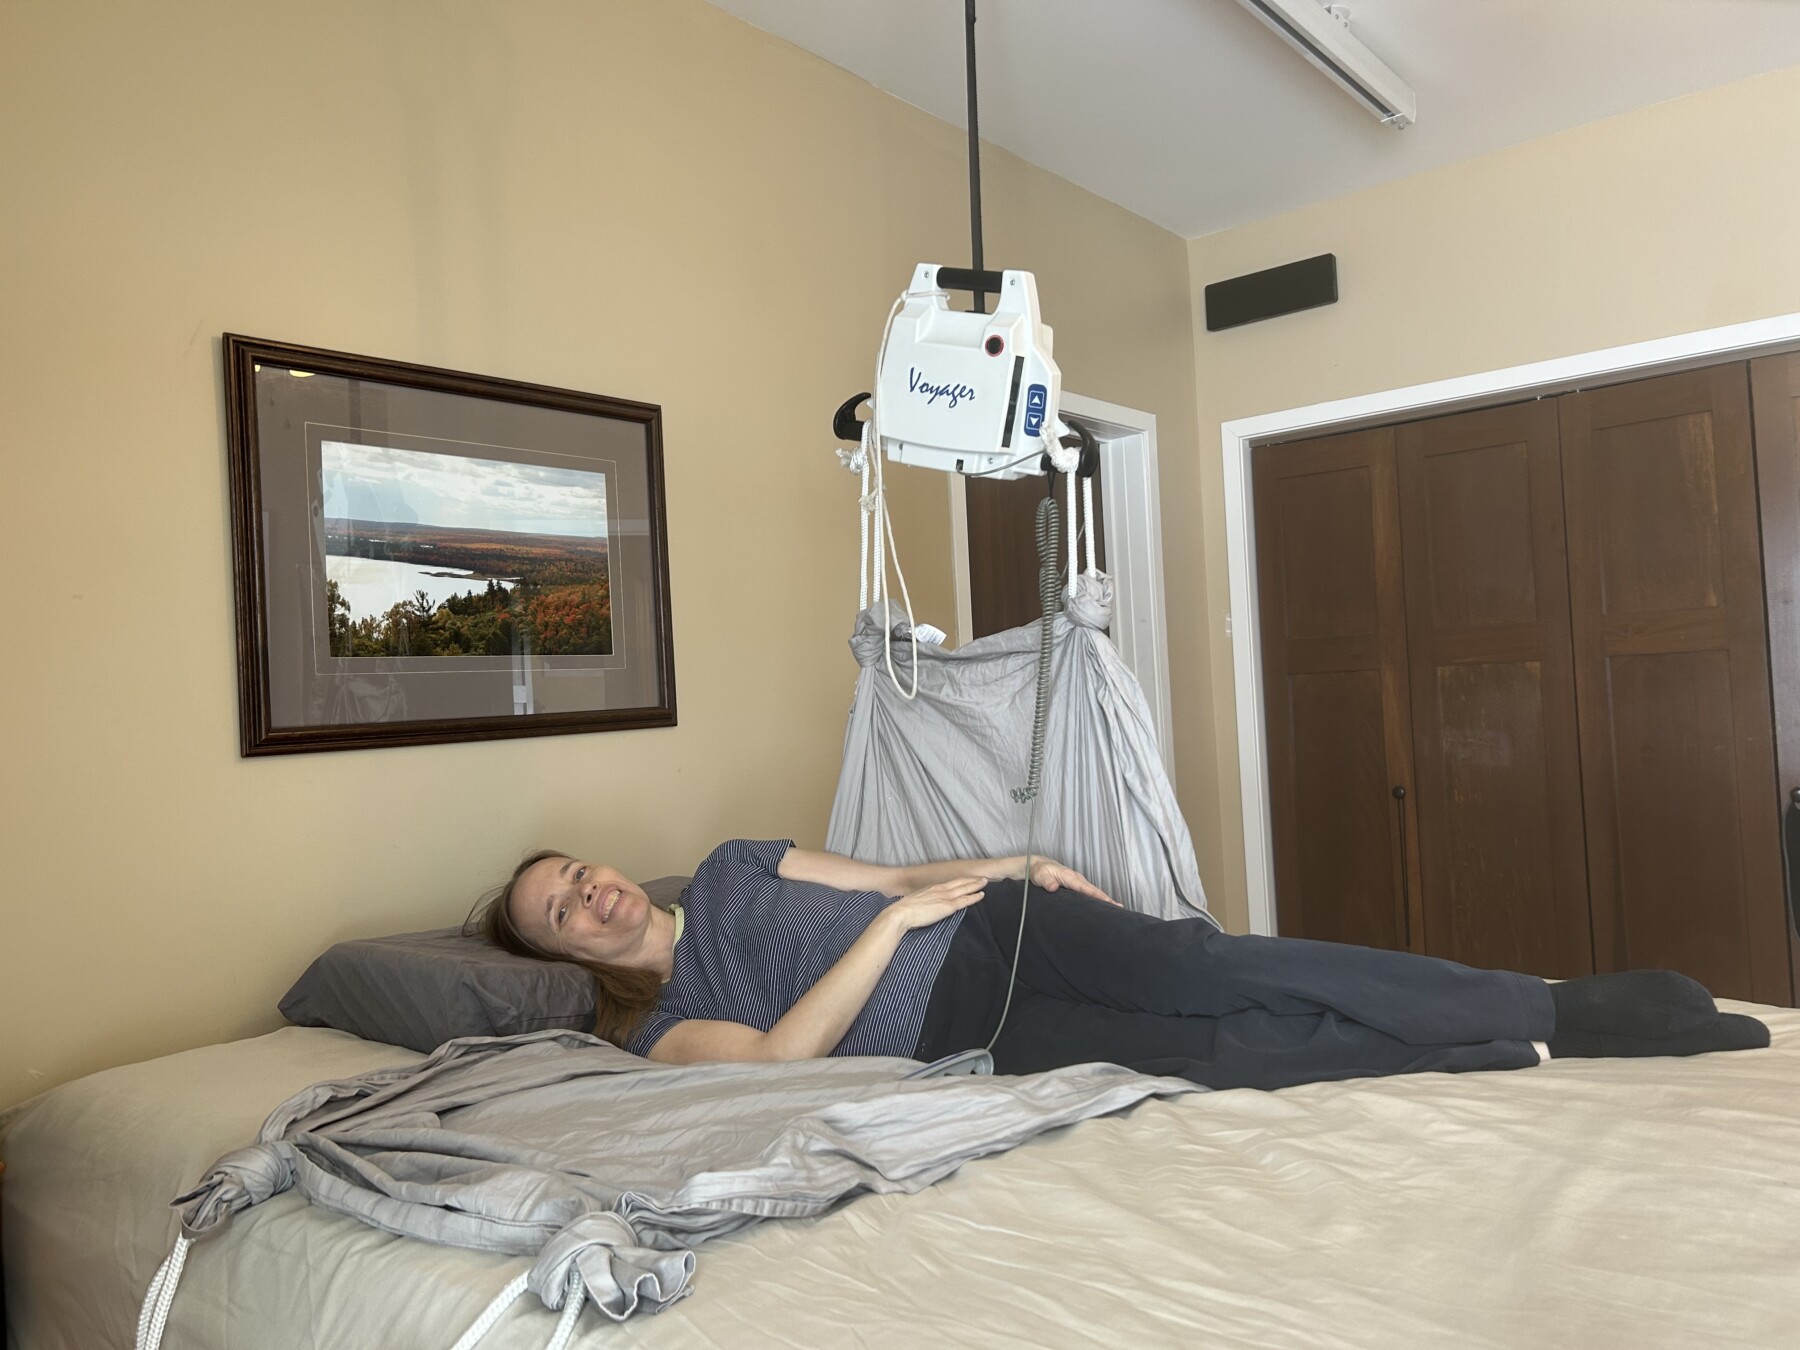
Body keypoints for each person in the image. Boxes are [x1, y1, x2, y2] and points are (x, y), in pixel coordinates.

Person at [471, 838, 1770, 1092]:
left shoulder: (735, 865)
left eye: (572, 869)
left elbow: (884, 873)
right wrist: (888, 936)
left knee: (1223, 968)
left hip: (993, 923)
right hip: (948, 1028)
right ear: (561, 950)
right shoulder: (655, 1031)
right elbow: (778, 1058)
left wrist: (1017, 858)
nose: (584, 891)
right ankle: (1489, 1045)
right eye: (556, 908)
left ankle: (1558, 1005)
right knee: (1212, 1056)